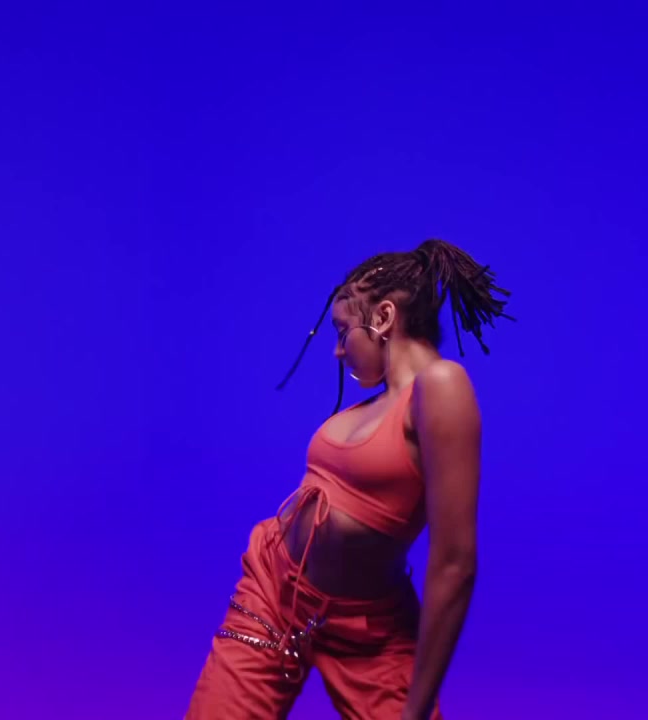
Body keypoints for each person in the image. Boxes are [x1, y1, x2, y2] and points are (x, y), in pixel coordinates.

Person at [186, 239, 513, 719]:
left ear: (383, 317)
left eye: (343, 331)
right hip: (274, 594)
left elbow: (455, 564)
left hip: (370, 634)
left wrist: (416, 712)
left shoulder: (440, 386)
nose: (338, 351)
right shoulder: (375, 403)